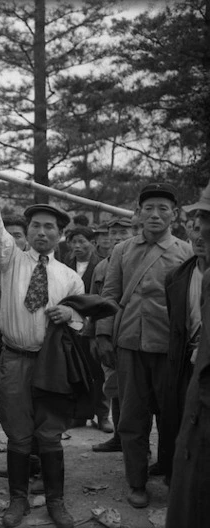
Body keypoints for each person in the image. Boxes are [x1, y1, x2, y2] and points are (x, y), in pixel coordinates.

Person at [0, 165, 84, 528]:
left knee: (49, 434)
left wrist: (70, 313)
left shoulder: (71, 278)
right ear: (28, 231)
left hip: (52, 366)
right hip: (15, 362)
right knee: (18, 434)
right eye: (35, 225)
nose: (40, 232)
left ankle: (55, 501)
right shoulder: (10, 260)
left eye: (49, 227)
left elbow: (83, 322)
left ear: (59, 235)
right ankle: (17, 500)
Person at [96, 182, 193, 508]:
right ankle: (136, 482)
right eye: (148, 208)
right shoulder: (123, 250)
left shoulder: (186, 252)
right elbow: (109, 296)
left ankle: (168, 471)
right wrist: (103, 334)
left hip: (170, 350)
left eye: (163, 208)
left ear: (174, 214)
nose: (155, 214)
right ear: (138, 213)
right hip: (130, 347)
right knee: (132, 418)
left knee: (172, 417)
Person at [165, 185, 210, 528]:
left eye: (207, 222)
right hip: (188, 369)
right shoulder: (180, 276)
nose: (200, 231)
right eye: (197, 222)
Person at [160, 210, 208, 483]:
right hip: (183, 360)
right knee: (179, 417)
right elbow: (176, 323)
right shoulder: (177, 276)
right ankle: (177, 477)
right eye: (194, 229)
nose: (200, 237)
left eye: (205, 230)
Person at [90, 217, 134, 454]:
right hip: (109, 336)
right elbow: (94, 304)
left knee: (137, 392)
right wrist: (94, 337)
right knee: (115, 388)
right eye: (112, 233)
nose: (116, 237)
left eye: (123, 232)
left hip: (133, 333)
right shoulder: (101, 267)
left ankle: (138, 444)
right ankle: (119, 437)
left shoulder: (138, 260)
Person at [64, 226, 110, 432]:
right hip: (71, 326)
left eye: (82, 241)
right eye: (74, 242)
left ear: (92, 243)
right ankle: (80, 414)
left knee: (96, 370)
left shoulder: (101, 265)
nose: (78, 246)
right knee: (75, 370)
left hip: (92, 325)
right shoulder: (65, 265)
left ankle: (102, 415)